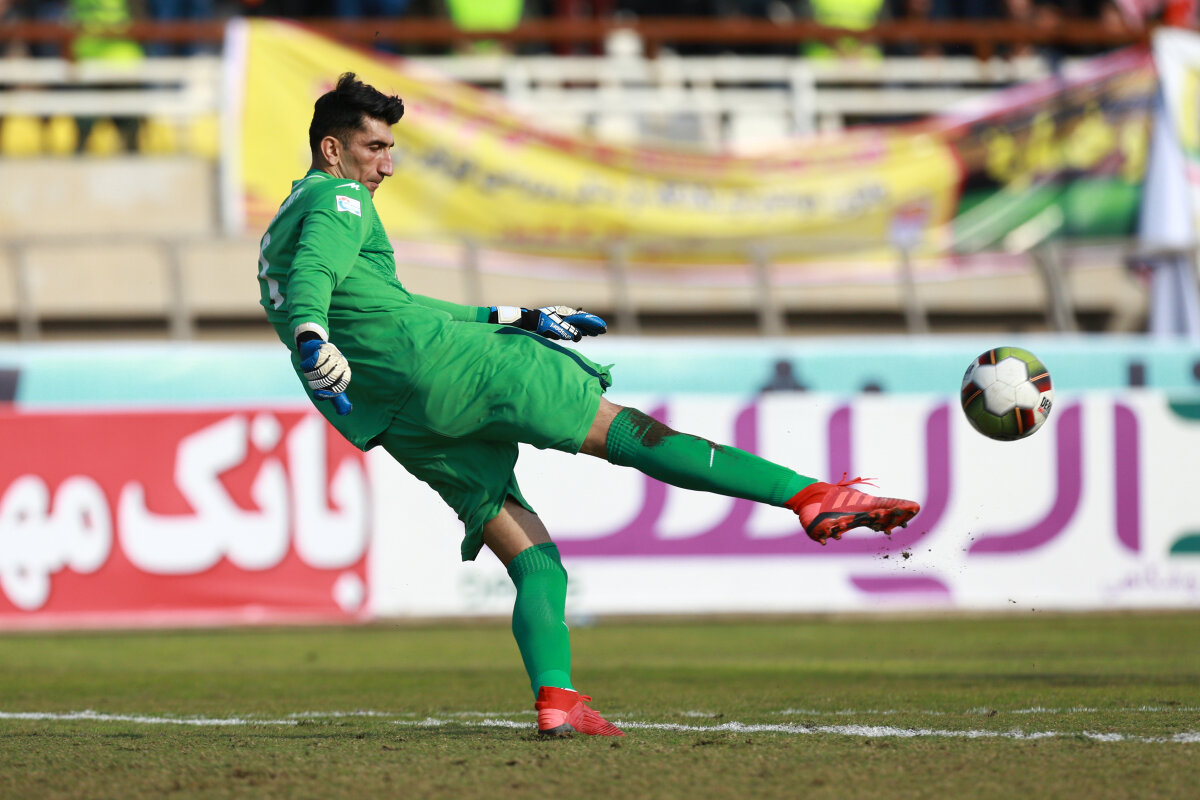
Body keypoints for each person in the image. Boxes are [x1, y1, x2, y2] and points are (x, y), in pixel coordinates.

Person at [256, 73, 921, 738]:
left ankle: (558, 698)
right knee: (633, 435)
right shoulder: (340, 196)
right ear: (332, 149)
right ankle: (809, 496)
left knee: (533, 559)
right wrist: (314, 332)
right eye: (374, 148)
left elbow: (387, 301)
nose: (387, 165)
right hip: (454, 366)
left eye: (390, 149)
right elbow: (319, 276)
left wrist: (514, 314)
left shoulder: (283, 225)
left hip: (396, 416)